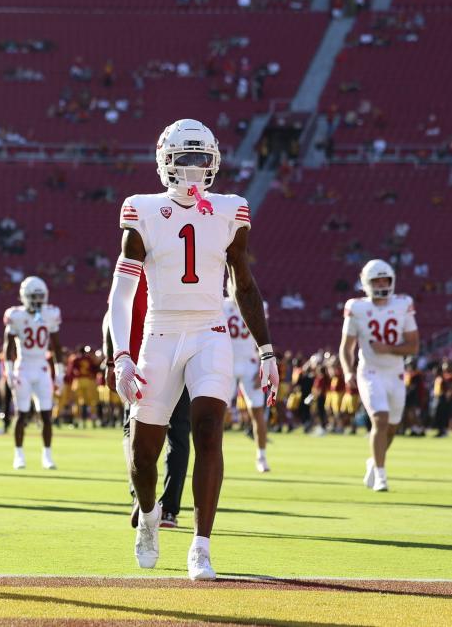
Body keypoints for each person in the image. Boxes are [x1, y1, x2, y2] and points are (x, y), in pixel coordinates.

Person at [108, 118, 277, 581]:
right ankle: (148, 515)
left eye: (200, 159)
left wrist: (267, 350)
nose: (192, 169)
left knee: (208, 429)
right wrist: (121, 355)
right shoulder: (141, 209)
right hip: (160, 334)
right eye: (183, 159)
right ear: (164, 162)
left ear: (215, 161)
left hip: (209, 330)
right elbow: (122, 292)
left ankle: (201, 546)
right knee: (145, 455)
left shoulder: (230, 209)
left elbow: (243, 283)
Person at [103, 276, 191, 530]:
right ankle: (169, 509)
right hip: (178, 357)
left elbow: (112, 317)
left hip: (140, 361)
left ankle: (140, 499)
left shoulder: (133, 265)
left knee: (133, 429)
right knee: (178, 433)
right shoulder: (177, 261)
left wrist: (112, 360)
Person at [339, 259, 419, 492]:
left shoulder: (403, 304)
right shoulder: (357, 307)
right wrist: (347, 372)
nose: (382, 284)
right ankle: (382, 476)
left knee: (392, 427)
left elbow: (413, 346)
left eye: (385, 279)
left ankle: (374, 463)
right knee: (380, 419)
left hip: (395, 372)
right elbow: (346, 347)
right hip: (370, 371)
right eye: (376, 280)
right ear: (366, 283)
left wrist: (389, 348)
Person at [4, 276, 63, 469]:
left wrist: (60, 373)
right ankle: (18, 455)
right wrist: (9, 370)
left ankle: (47, 455)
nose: (37, 300)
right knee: (22, 413)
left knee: (46, 414)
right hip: (24, 367)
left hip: (42, 367)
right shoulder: (16, 315)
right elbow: (8, 345)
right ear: (25, 296)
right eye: (33, 296)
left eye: (40, 296)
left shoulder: (50, 313)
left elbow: (56, 346)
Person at [223, 296, 270, 472]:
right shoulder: (221, 304)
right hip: (227, 363)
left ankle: (262, 456)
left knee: (258, 412)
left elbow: (263, 335)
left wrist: (263, 363)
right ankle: (215, 457)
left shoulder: (256, 303)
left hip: (250, 363)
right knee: (219, 413)